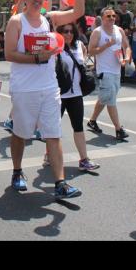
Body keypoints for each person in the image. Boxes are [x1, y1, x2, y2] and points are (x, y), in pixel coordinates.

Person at [4, 0, 85, 199]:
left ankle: (60, 183)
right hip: (24, 88)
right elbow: (9, 54)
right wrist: (37, 58)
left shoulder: (50, 19)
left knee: (53, 134)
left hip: (49, 87)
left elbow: (78, 11)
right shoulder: (16, 22)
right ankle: (17, 171)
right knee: (20, 134)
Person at [43, 21, 100, 171]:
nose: (69, 34)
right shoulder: (55, 47)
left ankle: (84, 160)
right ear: (59, 33)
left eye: (71, 31)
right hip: (59, 93)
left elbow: (83, 64)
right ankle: (49, 154)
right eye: (65, 31)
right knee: (54, 128)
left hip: (76, 93)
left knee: (78, 127)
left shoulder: (79, 46)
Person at [86, 6, 131, 141]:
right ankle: (118, 129)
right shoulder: (97, 32)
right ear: (102, 18)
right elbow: (90, 51)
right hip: (104, 71)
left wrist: (127, 57)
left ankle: (92, 121)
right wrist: (107, 45)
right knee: (111, 99)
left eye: (113, 16)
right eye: (108, 16)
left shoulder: (119, 30)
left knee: (105, 97)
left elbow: (126, 46)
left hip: (117, 70)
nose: (112, 18)